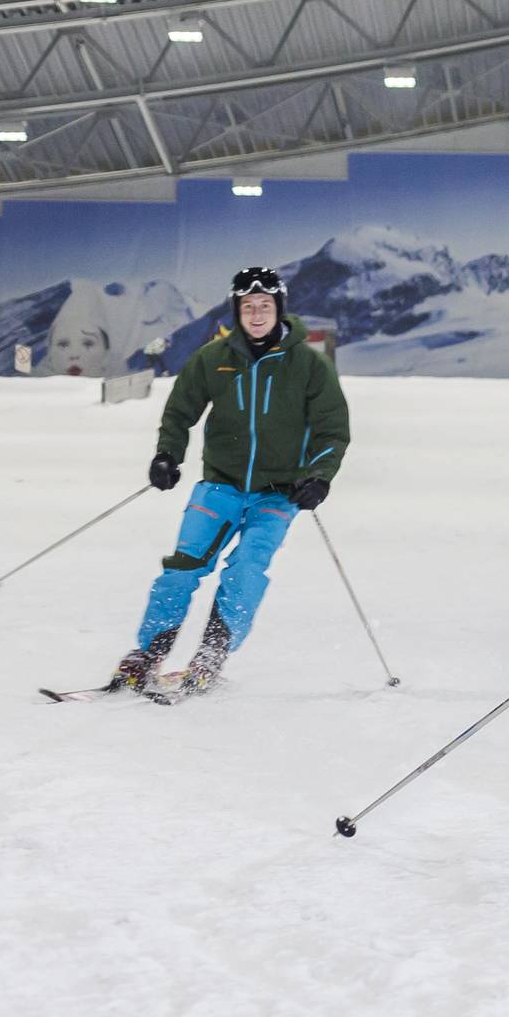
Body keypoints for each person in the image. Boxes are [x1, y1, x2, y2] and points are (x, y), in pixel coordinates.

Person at [107, 267, 351, 696]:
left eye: (265, 306)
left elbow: (332, 428)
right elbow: (180, 412)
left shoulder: (307, 364)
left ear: (280, 309)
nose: (256, 315)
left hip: (278, 493)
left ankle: (211, 654)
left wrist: (319, 477)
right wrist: (168, 455)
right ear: (237, 311)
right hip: (220, 486)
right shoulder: (212, 358)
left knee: (246, 570)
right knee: (181, 570)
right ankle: (149, 654)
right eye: (248, 307)